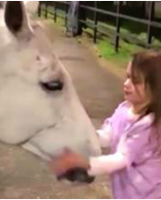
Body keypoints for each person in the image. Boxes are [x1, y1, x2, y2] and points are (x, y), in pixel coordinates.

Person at [50, 50, 161, 199]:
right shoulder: (124, 108)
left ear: (155, 89)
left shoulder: (147, 126)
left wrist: (85, 164)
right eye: (127, 77)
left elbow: (121, 158)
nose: (127, 84)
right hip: (127, 190)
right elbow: (109, 134)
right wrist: (85, 136)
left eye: (136, 81)